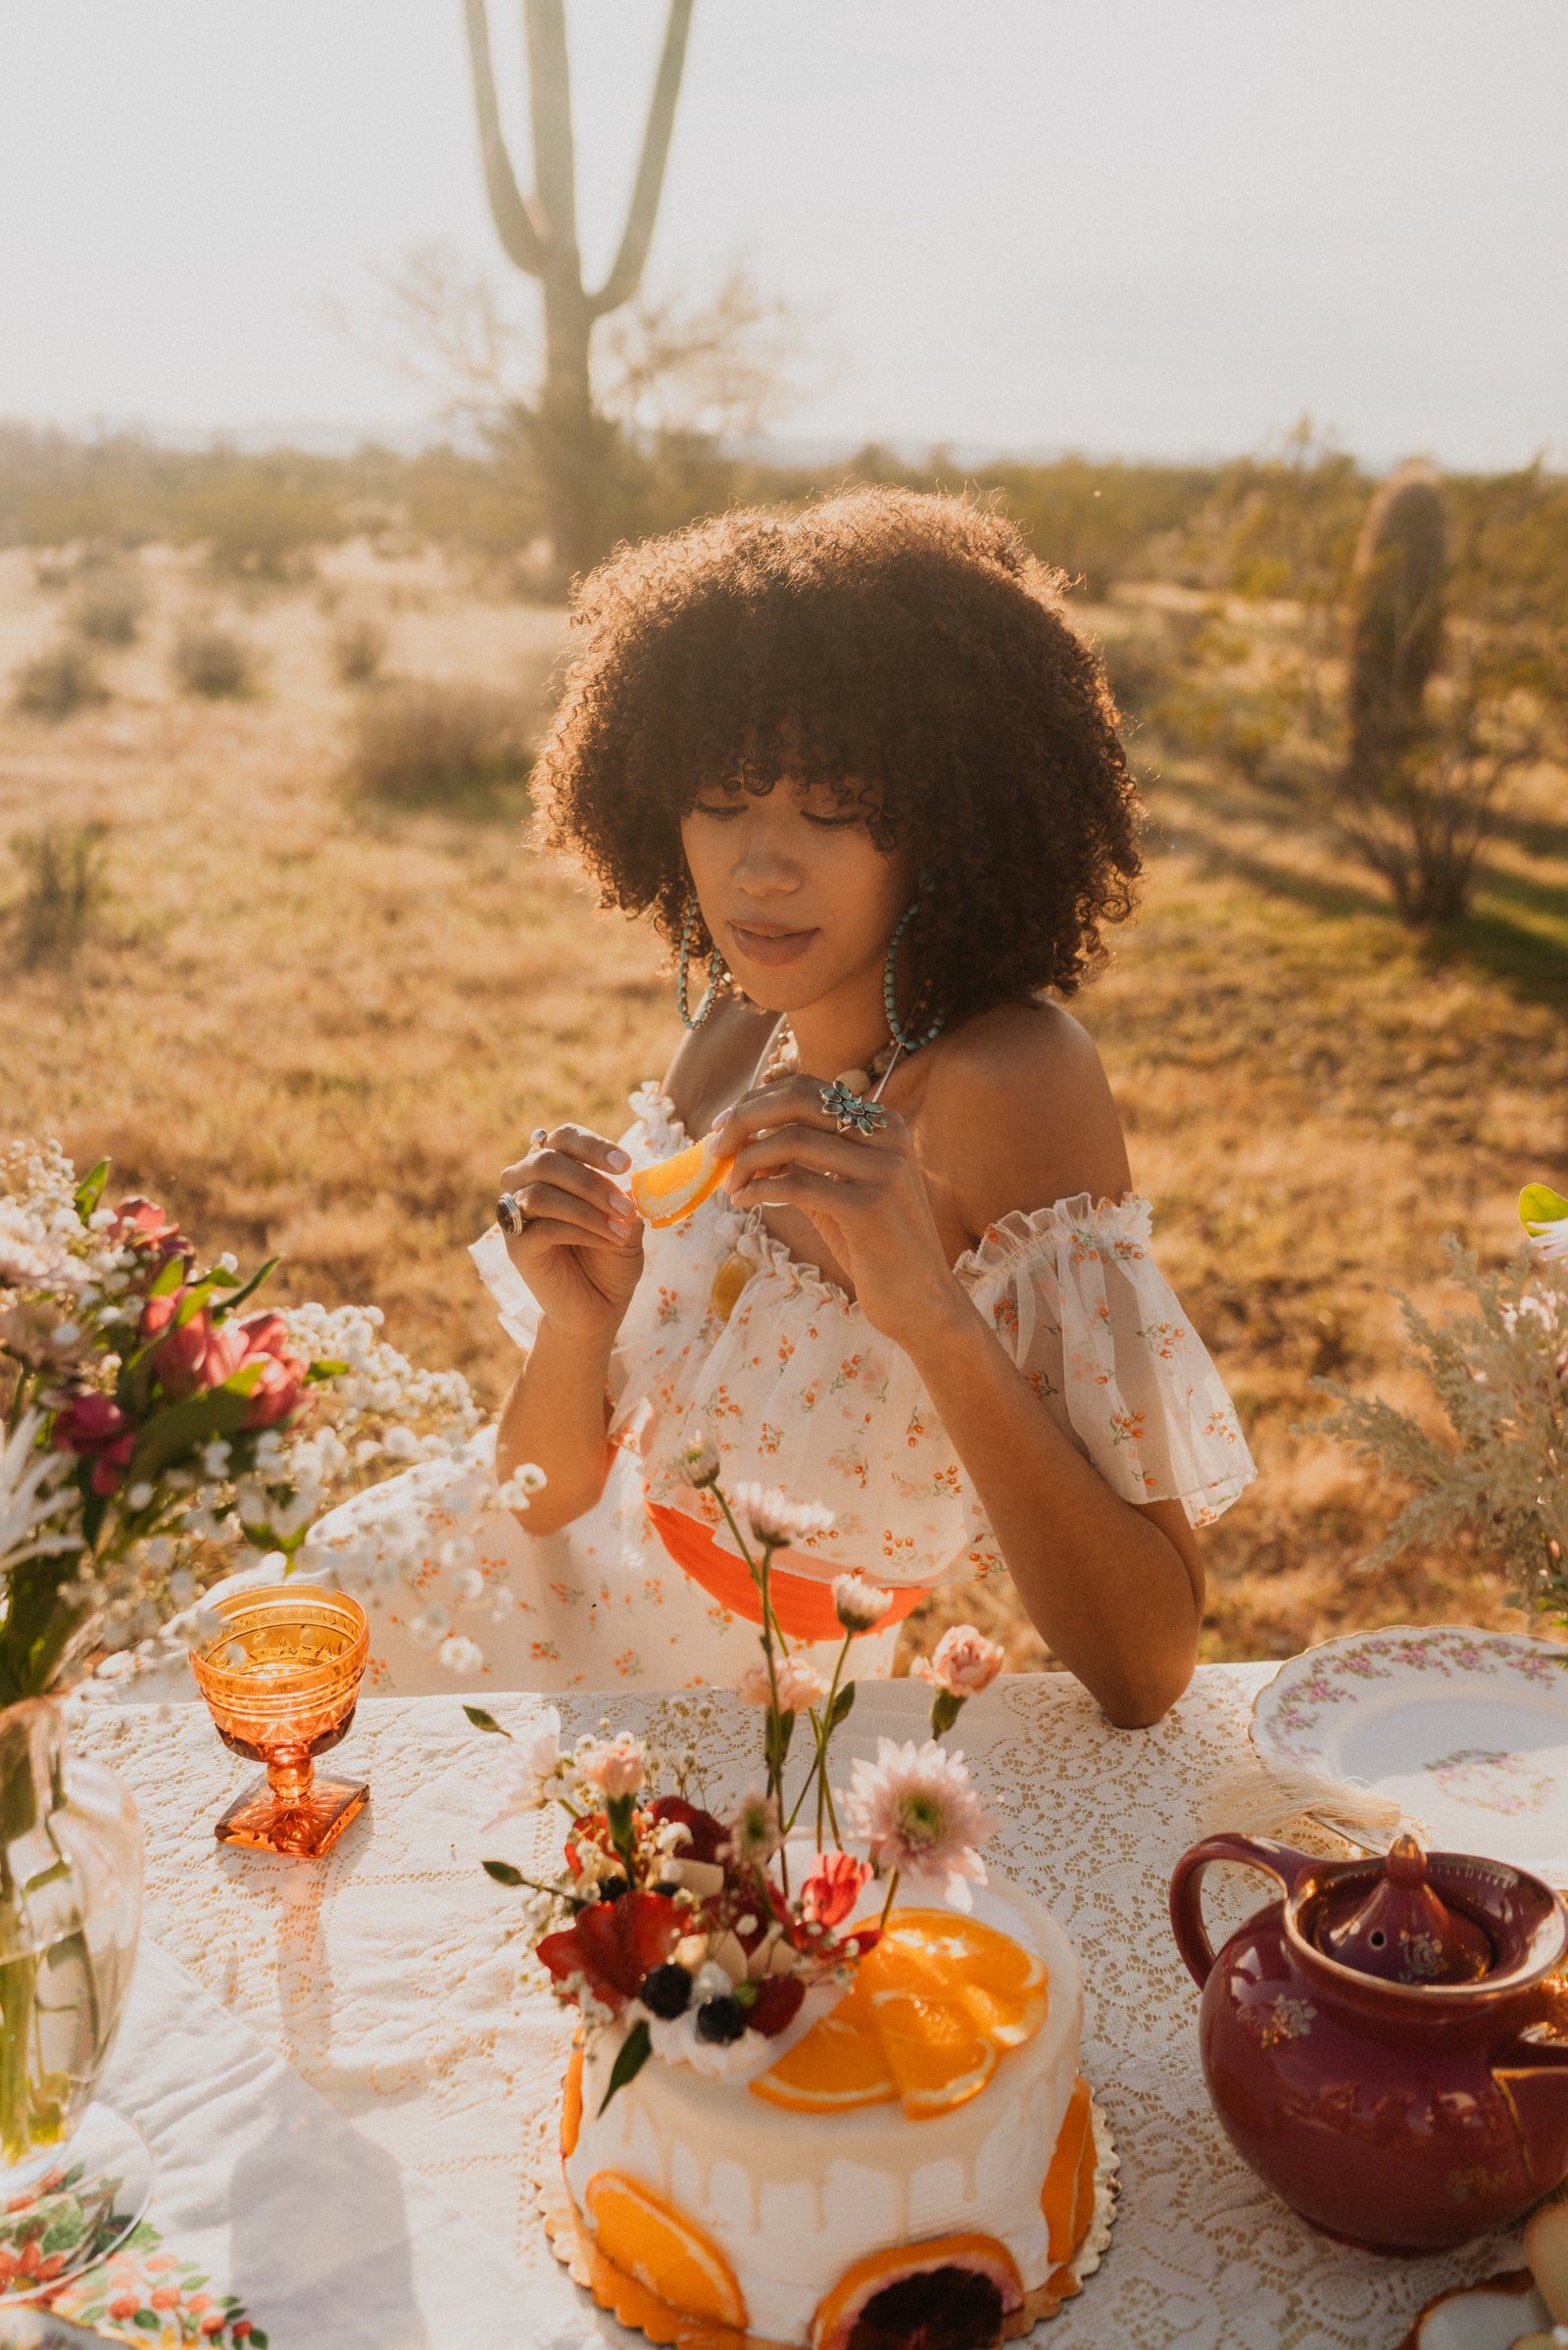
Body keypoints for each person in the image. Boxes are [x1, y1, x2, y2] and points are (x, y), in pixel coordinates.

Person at [313, 488, 1253, 1722]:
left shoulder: (1010, 1086)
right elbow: (538, 1493)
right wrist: (576, 1321)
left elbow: (1147, 1667)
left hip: (751, 1718)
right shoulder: (742, 1023)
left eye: (831, 809)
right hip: (505, 1600)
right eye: (720, 801)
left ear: (948, 821)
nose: (759, 866)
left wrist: (927, 1308)